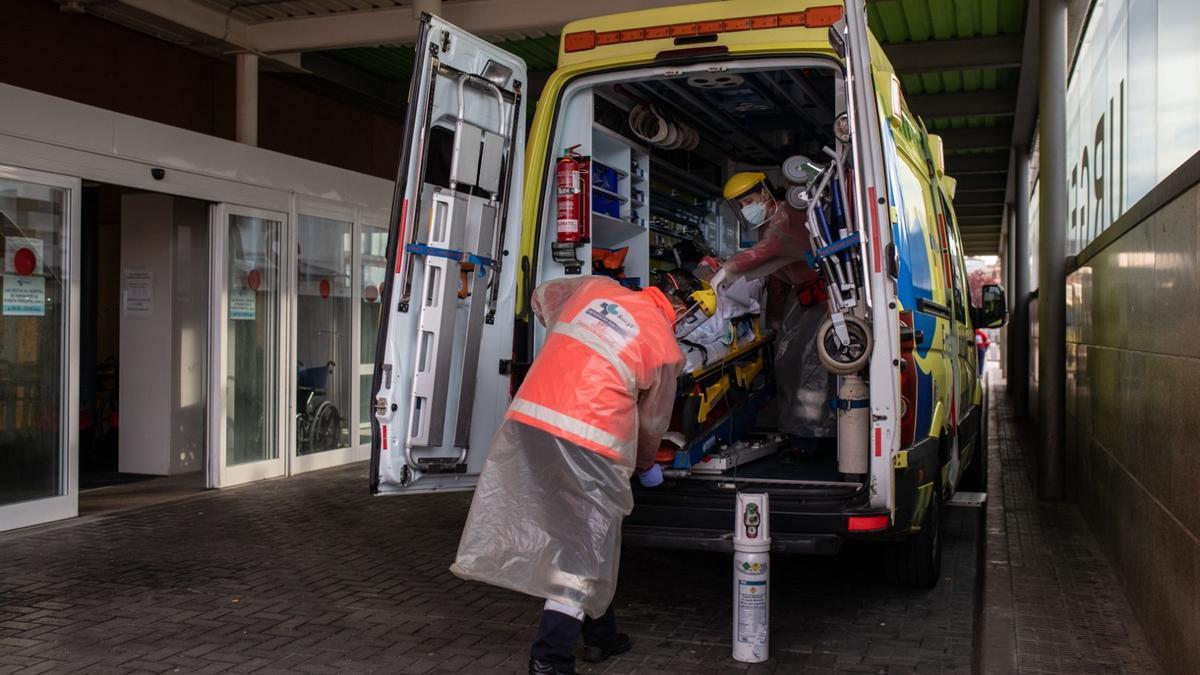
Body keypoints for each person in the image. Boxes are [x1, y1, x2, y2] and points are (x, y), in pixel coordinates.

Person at [451, 275, 685, 675]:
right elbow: (651, 424)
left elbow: (544, 296)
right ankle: (550, 658)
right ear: (676, 313)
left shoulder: (597, 289)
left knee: (590, 536)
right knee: (581, 549)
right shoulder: (665, 346)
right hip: (592, 439)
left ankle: (600, 636)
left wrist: (564, 337)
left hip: (531, 421)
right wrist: (646, 465)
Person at [711, 171, 835, 462]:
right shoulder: (768, 226)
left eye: (750, 202)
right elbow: (777, 281)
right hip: (803, 300)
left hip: (823, 299)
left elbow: (765, 252)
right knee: (789, 363)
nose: (747, 210)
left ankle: (812, 442)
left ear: (766, 194)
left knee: (809, 368)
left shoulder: (788, 219)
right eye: (740, 207)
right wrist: (775, 322)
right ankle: (802, 435)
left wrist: (726, 271)